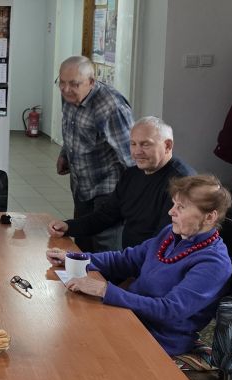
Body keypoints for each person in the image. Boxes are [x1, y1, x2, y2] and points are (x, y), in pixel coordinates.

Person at [46, 175, 232, 356]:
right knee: (65, 322)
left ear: (209, 218)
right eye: (174, 204)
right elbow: (126, 260)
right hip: (129, 316)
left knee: (73, 342)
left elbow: (170, 311)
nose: (171, 211)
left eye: (181, 207)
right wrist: (76, 258)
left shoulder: (214, 263)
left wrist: (105, 290)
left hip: (157, 337)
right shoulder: (171, 234)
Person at [47, 117, 196, 249]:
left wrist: (120, 270)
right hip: (131, 261)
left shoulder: (183, 183)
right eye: (133, 144)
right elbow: (106, 215)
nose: (137, 152)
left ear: (168, 145)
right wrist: (68, 226)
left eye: (145, 144)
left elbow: (165, 242)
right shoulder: (132, 174)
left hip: (154, 267)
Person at [56, 55, 134, 252]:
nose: (66, 89)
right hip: (82, 184)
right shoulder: (68, 95)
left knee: (105, 247)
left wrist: (131, 198)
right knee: (82, 244)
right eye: (62, 82)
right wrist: (65, 153)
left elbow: (131, 156)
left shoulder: (110, 106)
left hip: (108, 187)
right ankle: (80, 281)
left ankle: (106, 284)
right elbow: (71, 127)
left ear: (91, 81)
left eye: (73, 84)